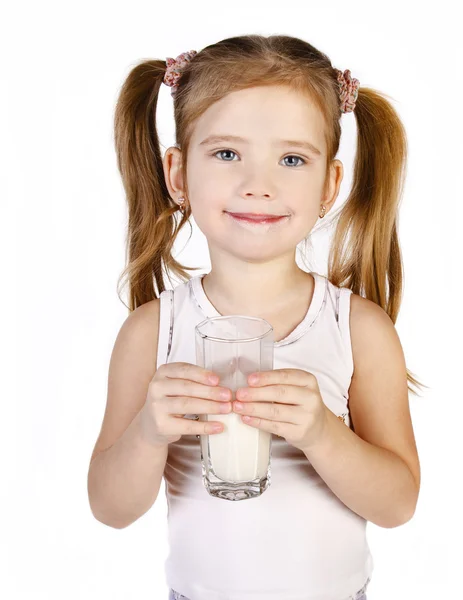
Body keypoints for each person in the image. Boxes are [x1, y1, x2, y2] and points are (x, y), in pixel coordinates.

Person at [87, 34, 425, 600]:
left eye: (292, 159)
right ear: (178, 174)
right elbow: (109, 507)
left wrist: (323, 434)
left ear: (330, 185)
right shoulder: (153, 331)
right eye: (226, 153)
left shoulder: (358, 330)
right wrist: (148, 430)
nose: (258, 184)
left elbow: (398, 505)